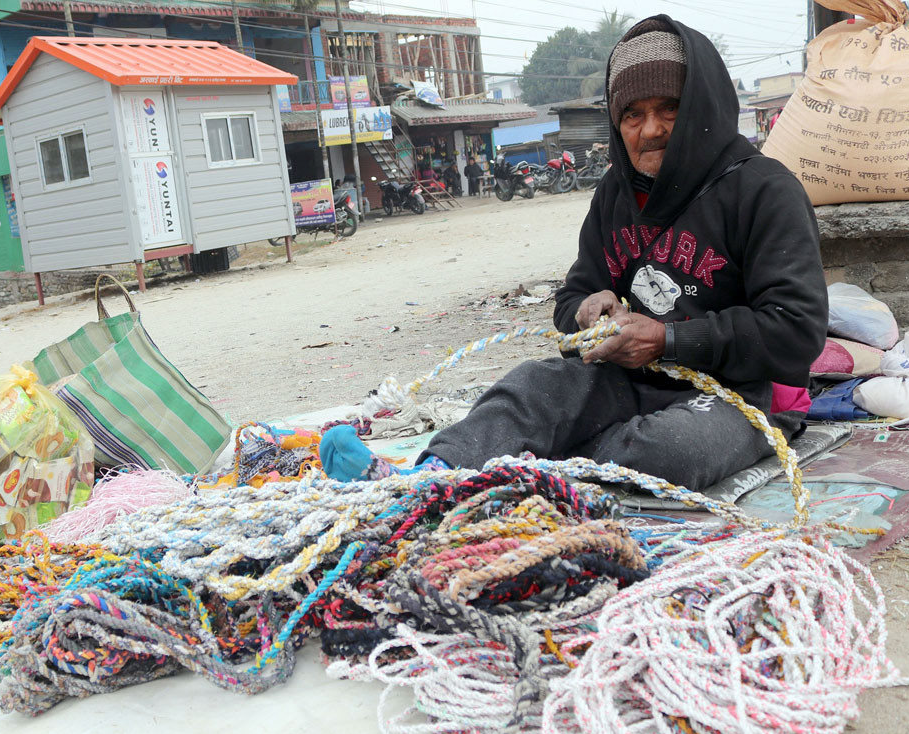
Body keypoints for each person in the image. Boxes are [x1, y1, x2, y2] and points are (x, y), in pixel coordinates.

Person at [320, 15, 827, 491]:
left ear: (703, 107)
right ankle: (426, 481)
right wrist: (587, 311)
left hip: (743, 394)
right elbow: (573, 297)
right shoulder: (616, 193)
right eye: (632, 114)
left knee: (665, 451)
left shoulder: (764, 190)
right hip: (636, 379)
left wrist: (667, 338)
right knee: (530, 387)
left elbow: (795, 330)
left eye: (669, 107)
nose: (650, 129)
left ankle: (526, 475)